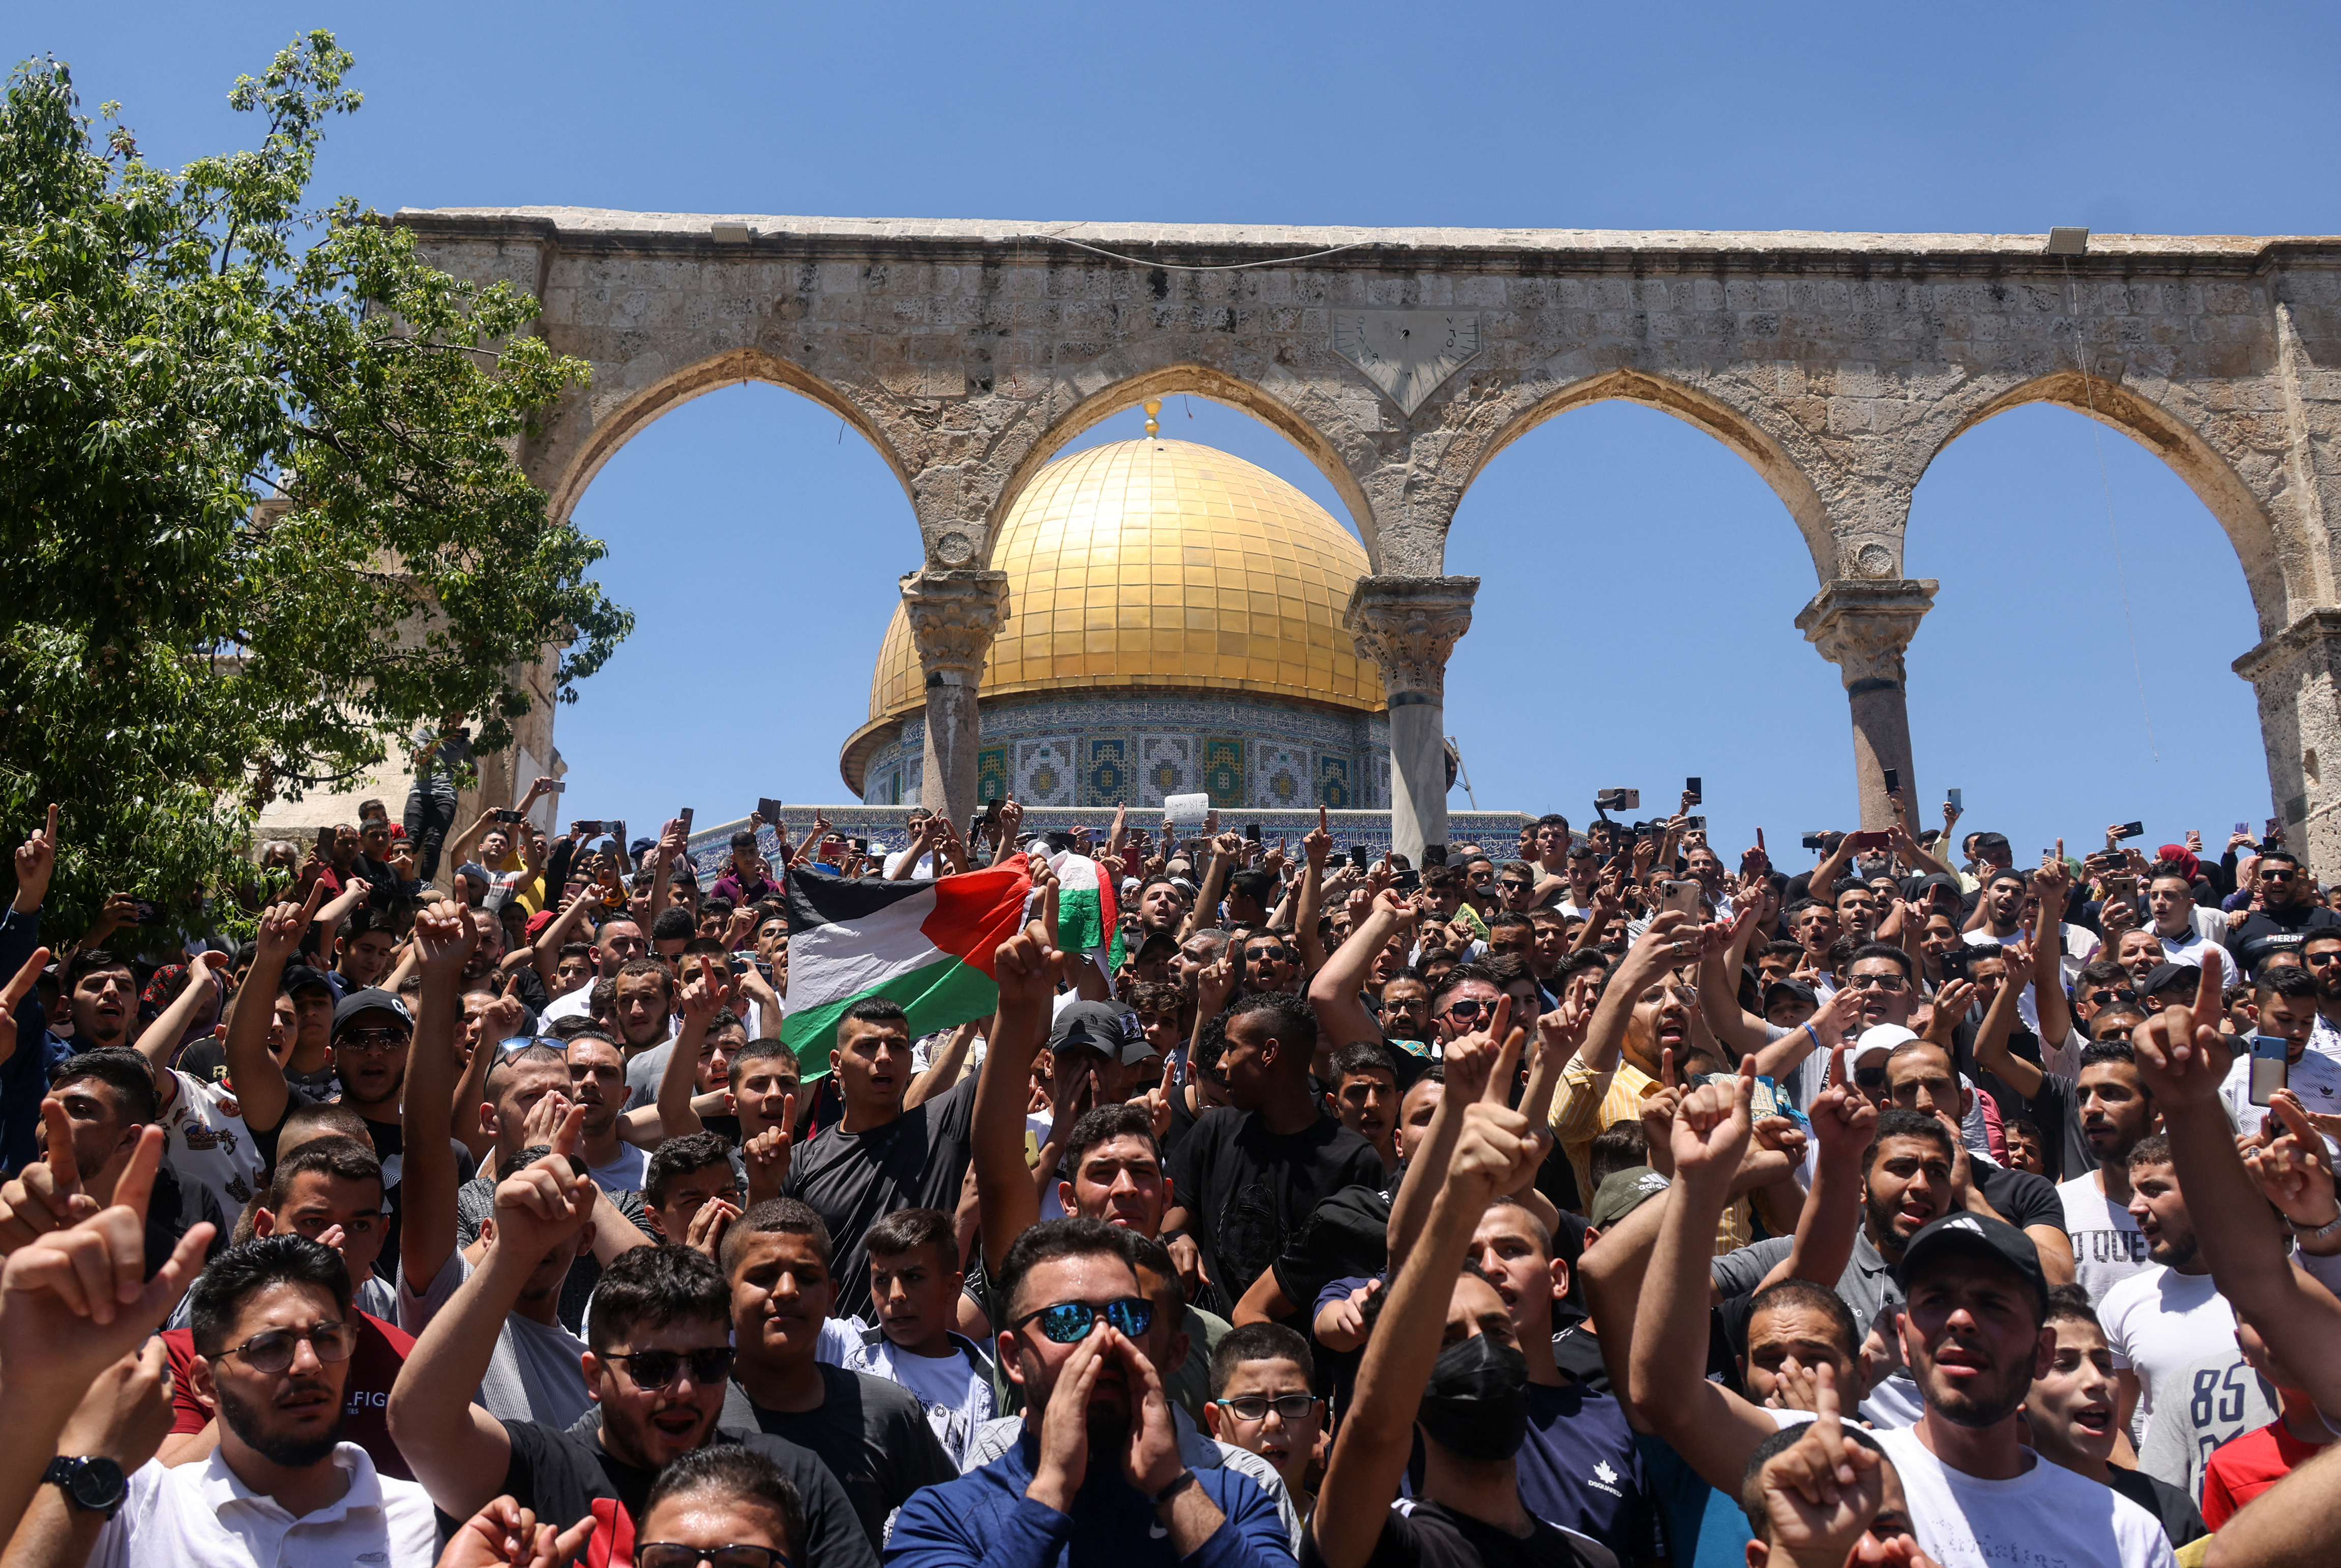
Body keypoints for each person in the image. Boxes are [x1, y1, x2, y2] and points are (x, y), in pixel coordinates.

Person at [387, 1180, 875, 1568]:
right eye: (652, 1368)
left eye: (707, 1364)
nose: (684, 1389)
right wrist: (511, 1258)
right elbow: (420, 1423)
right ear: (595, 1376)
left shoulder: (792, 1475)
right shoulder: (545, 1472)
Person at [1305, 1013, 1582, 1568]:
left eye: (1496, 1329)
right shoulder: (1385, 1545)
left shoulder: (1588, 1558)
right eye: (1447, 1335)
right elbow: (1373, 1429)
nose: (1479, 1349)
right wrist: (1459, 1183)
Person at [883, 1217, 1294, 1568]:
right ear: (1012, 1357)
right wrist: (1051, 1491)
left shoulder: (1232, 1499)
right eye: (1066, 1320)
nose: (1104, 1338)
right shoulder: (941, 1518)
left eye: (1127, 1316)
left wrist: (1173, 1489)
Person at [10, 1236, 440, 1568]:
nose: (309, 1363)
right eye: (270, 1346)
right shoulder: (133, 1507)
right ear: (204, 1383)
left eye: (328, 1338)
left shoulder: (421, 1520)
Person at [1872, 1210, 2173, 1565]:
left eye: (1992, 1304)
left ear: (2042, 1352)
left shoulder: (2127, 1536)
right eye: (1935, 1300)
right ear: (1904, 1341)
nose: (1960, 1321)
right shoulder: (1842, 1481)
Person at [717, 1197, 958, 1546]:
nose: (786, 1291)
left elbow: (955, 1529)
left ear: (832, 1297)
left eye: (806, 1276)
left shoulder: (888, 1412)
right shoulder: (693, 1408)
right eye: (764, 1276)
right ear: (726, 1297)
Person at [1162, 991, 1383, 1320]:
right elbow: (1174, 1217)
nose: (1222, 1063)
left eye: (1232, 1047)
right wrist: (1176, 1239)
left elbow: (1351, 1280)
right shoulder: (1215, 1131)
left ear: (1268, 1053)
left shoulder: (1353, 1161)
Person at [783, 997, 980, 1323]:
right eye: (868, 1046)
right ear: (837, 1063)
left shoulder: (943, 1129)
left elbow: (1019, 1046)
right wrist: (763, 1186)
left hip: (921, 1361)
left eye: (898, 1046)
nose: (884, 1058)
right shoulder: (800, 1161)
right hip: (835, 1363)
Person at [2098, 1135, 2278, 1491]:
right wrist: (2159, 1497)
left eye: (2153, 1190)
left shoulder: (2285, 1291)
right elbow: (2110, 1424)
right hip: (2181, 1537)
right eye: (2133, 1192)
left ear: (2206, 1190)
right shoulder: (2124, 1301)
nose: (2134, 1207)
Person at [2019, 1285, 2207, 1549]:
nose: (2096, 1380)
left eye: (2104, 1364)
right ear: (2015, 1391)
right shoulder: (1990, 1508)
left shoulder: (2167, 1510)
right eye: (2064, 1364)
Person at [844, 1205, 997, 1468]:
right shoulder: (846, 1345)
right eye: (881, 1280)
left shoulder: (984, 1389)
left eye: (913, 1277)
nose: (895, 1295)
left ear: (952, 1288)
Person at [2199, 1310, 2335, 1528]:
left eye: (2299, 1309)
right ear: (2243, 1347)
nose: (2283, 1333)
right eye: (2258, 1318)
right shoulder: (2231, 1467)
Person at [1202, 1324, 1323, 1531]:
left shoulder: (1347, 1534)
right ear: (1217, 1423)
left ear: (1317, 1420)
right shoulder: (1194, 1533)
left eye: (1292, 1402)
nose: (1274, 1422)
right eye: (1250, 1405)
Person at [2225, 849, 2341, 980]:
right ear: (2258, 883)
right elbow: (2236, 986)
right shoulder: (2242, 927)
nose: (2277, 881)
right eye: (2268, 875)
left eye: (2286, 875)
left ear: (2298, 882)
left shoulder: (2327, 920)